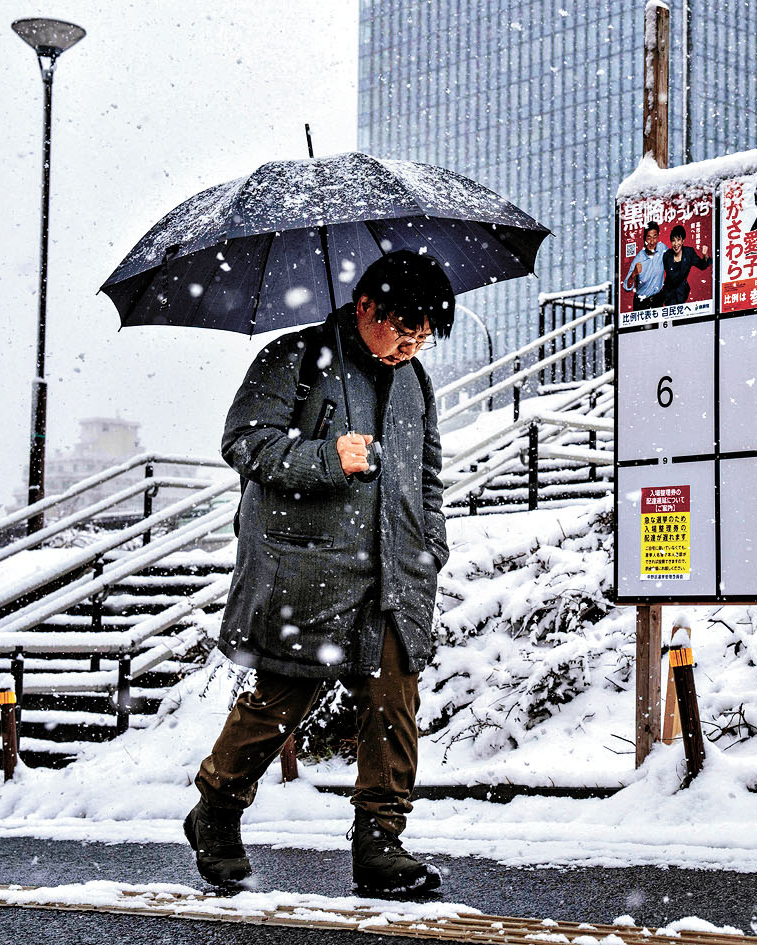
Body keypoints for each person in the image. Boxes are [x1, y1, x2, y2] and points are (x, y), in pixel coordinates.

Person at [185, 250, 453, 896]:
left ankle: (380, 843)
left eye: (423, 336)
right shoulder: (295, 359)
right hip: (307, 568)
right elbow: (245, 441)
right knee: (282, 700)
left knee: (393, 702)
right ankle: (217, 810)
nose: (411, 345)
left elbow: (428, 476)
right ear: (366, 307)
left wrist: (431, 545)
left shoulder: (414, 382)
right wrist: (325, 456)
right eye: (403, 329)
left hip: (395, 573)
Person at [659, 224, 711, 306]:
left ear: (683, 241)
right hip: (669, 294)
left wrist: (705, 255)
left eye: (678, 240)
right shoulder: (667, 255)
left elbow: (702, 266)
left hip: (682, 292)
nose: (676, 244)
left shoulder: (689, 253)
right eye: (673, 240)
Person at [623, 222, 667, 309]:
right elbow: (626, 287)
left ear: (658, 237)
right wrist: (634, 274)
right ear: (644, 239)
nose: (652, 241)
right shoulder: (638, 259)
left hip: (657, 300)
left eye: (655, 237)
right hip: (641, 303)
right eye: (649, 237)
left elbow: (674, 259)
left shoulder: (662, 248)